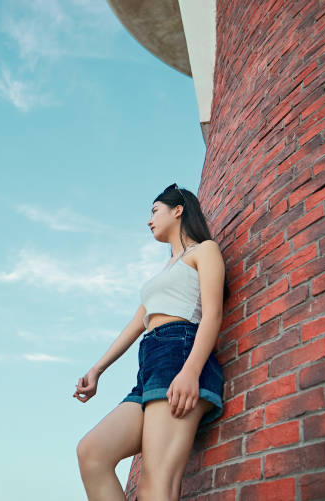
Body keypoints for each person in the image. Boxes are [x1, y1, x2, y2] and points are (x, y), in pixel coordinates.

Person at [74, 183, 229, 501]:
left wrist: (190, 371)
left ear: (178, 210)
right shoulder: (165, 270)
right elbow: (135, 325)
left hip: (180, 354)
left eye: (154, 211)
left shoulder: (205, 251)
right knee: (92, 453)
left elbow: (212, 315)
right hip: (150, 364)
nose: (149, 220)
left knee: (156, 486)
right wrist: (97, 370)